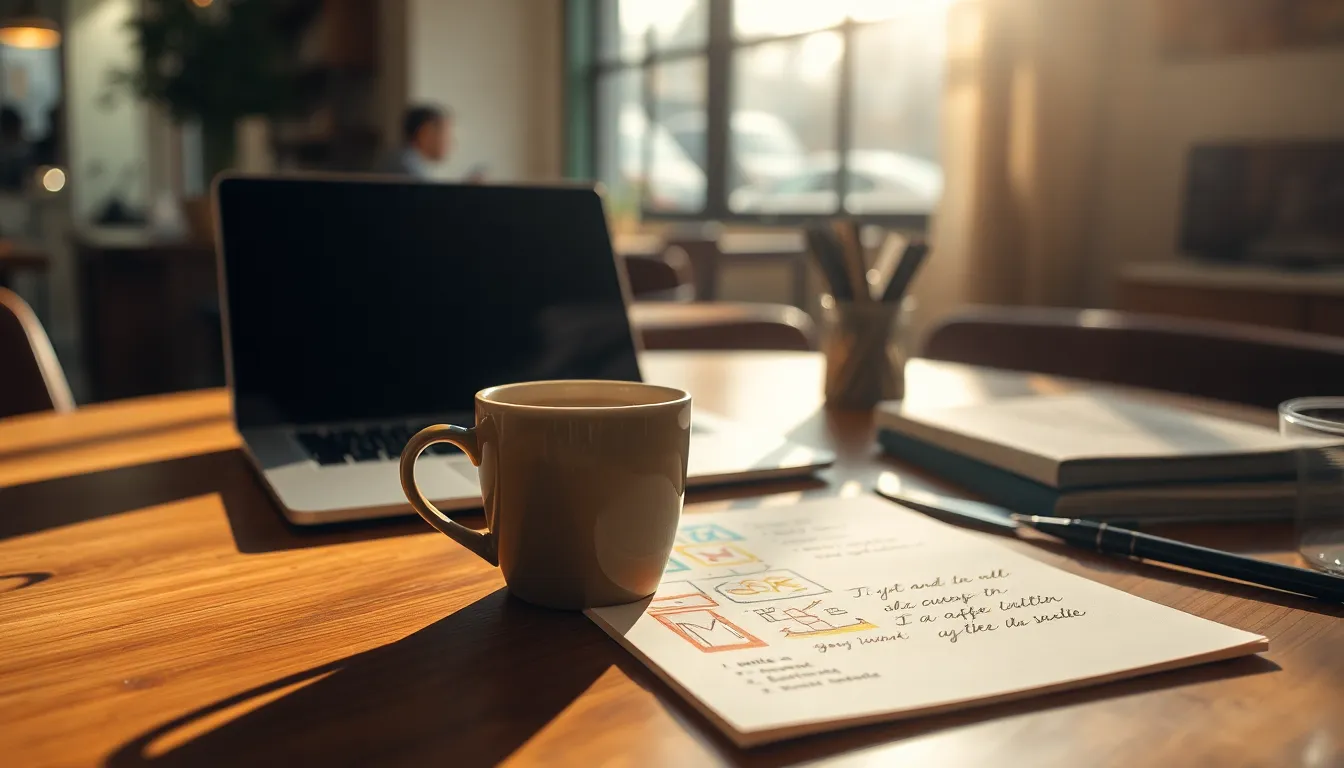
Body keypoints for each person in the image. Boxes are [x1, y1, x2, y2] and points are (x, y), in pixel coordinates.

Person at [377, 105, 453, 179]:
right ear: (425, 133)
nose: (450, 142)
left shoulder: (402, 160)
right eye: (445, 133)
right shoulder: (408, 171)